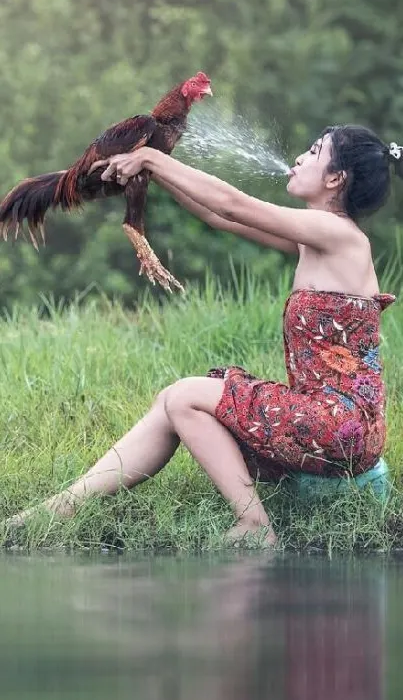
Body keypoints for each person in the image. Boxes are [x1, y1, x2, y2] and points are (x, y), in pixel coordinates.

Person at [9, 125, 401, 546]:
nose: (300, 158)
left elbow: (233, 203)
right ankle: (55, 510)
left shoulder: (340, 235)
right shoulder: (315, 239)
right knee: (170, 404)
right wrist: (152, 174)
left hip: (343, 427)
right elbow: (218, 216)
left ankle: (256, 526)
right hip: (323, 419)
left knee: (186, 396)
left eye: (313, 152)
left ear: (335, 179)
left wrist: (153, 159)